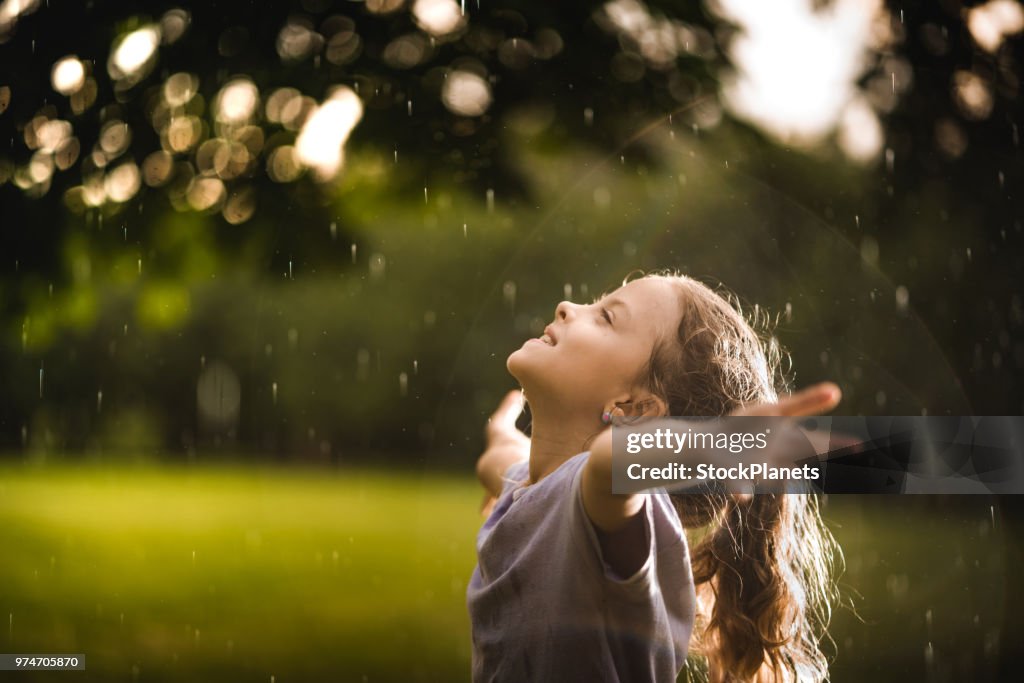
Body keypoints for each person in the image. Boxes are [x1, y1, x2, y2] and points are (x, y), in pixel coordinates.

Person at [467, 271, 844, 683]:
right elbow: (501, 457)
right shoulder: (528, 484)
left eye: (606, 318)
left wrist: (708, 446)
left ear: (632, 409)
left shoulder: (603, 500)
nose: (567, 306)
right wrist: (500, 427)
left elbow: (615, 461)